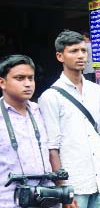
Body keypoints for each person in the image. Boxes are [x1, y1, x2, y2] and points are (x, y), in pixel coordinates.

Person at [38, 30, 100, 208]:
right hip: (74, 184)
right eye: (74, 51)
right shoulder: (50, 97)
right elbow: (52, 148)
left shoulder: (96, 91)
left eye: (83, 50)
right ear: (60, 56)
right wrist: (63, 190)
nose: (81, 55)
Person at [0, 55, 55, 207]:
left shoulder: (40, 111)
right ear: (2, 83)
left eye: (31, 78)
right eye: (20, 78)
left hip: (45, 199)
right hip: (9, 201)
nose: (27, 84)